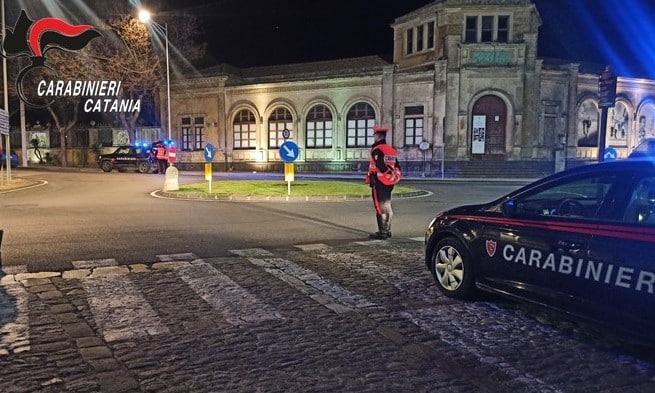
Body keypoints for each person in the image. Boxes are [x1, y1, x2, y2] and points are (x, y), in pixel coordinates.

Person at [365, 125, 401, 239]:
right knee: (387, 204)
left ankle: (382, 232)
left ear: (378, 136)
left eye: (374, 135)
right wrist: (393, 176)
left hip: (378, 181)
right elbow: (397, 165)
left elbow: (380, 165)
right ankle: (388, 230)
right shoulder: (391, 150)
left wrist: (383, 174)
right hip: (389, 182)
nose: (374, 137)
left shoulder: (377, 150)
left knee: (379, 206)